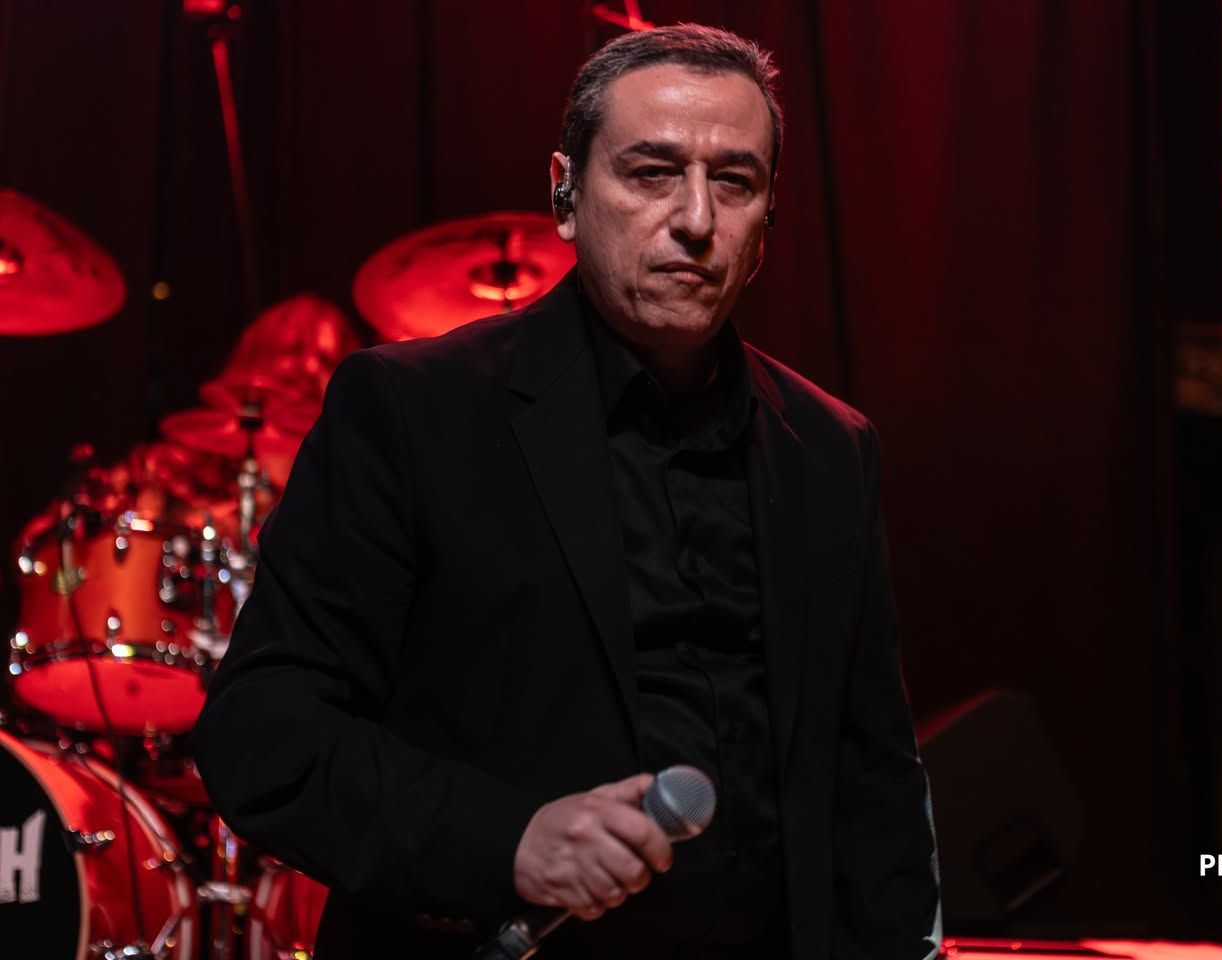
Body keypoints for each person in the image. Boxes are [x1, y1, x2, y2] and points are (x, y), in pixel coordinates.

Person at [194, 23, 940, 960]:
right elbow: (262, 736)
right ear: (564, 193)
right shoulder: (412, 412)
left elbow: (874, 786)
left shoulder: (831, 449)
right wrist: (510, 841)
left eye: (734, 182)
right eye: (652, 173)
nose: (697, 218)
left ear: (766, 225)